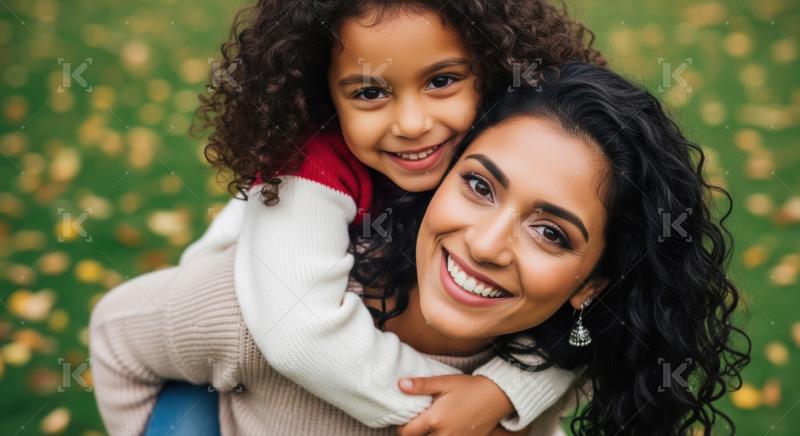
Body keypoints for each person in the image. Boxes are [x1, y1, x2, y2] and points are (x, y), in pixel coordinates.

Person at [91, 63, 750, 435]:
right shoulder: (262, 310)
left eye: (551, 233)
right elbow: (116, 337)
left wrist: (500, 393)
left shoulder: (547, 365)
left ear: (591, 283)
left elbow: (586, 350)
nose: (488, 245)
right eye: (480, 185)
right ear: (439, 174)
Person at [90, 1, 605, 434]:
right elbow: (298, 334)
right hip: (214, 356)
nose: (412, 123)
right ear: (324, 97)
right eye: (370, 92)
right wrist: (450, 408)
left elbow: (590, 316)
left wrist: (503, 390)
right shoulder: (309, 173)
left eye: (442, 80)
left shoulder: (505, 147)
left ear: (493, 70)